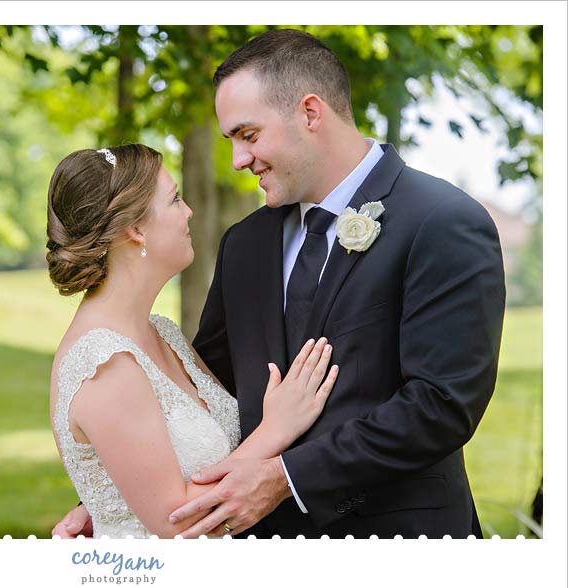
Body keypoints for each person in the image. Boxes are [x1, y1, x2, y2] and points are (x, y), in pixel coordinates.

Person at [54, 29, 505, 540]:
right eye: (231, 141)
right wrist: (123, 489)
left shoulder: (442, 221)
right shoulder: (245, 243)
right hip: (259, 551)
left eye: (248, 135)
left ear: (310, 113)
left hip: (399, 546)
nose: (239, 161)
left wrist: (287, 478)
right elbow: (202, 395)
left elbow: (441, 405)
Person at [46, 144, 339, 538]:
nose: (188, 212)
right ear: (135, 229)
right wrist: (277, 428)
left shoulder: (162, 334)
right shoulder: (104, 364)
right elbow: (179, 523)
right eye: (174, 200)